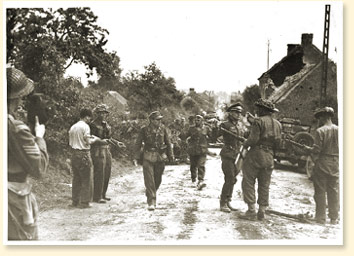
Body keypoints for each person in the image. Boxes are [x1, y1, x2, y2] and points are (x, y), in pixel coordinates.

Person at [7, 67, 49, 240]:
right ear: (16, 98)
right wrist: (39, 137)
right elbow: (39, 169)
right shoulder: (16, 128)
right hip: (13, 198)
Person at [239, 98, 282, 221]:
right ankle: (262, 210)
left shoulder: (258, 121)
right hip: (269, 156)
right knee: (264, 184)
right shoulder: (278, 124)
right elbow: (278, 143)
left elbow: (253, 140)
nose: (256, 110)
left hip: (256, 155)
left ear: (262, 110)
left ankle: (251, 210)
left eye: (258, 108)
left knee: (248, 181)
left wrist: (245, 143)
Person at [133, 111, 174, 211]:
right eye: (157, 119)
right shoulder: (144, 129)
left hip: (160, 157)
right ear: (151, 120)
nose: (159, 121)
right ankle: (151, 201)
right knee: (149, 179)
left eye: (160, 119)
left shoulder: (163, 129)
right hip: (148, 156)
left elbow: (168, 142)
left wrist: (171, 155)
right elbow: (138, 143)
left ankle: (150, 192)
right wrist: (136, 157)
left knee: (157, 179)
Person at [310, 107, 339, 225]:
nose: (319, 120)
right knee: (333, 191)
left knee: (320, 190)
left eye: (320, 117)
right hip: (336, 163)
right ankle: (334, 218)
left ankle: (321, 218)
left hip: (323, 163)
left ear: (323, 117)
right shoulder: (339, 130)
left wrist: (310, 153)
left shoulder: (320, 131)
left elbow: (317, 150)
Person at [68, 108, 99, 208]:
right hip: (83, 154)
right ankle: (84, 202)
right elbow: (88, 141)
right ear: (86, 117)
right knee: (86, 178)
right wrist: (95, 139)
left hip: (74, 153)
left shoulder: (73, 127)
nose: (90, 120)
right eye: (89, 117)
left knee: (76, 178)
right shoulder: (85, 127)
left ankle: (75, 201)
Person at [219, 103, 245, 213]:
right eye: (236, 112)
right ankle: (222, 203)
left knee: (233, 179)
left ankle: (228, 200)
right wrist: (215, 128)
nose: (238, 115)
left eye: (240, 113)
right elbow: (214, 136)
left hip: (237, 155)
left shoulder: (239, 126)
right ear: (230, 113)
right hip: (227, 154)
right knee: (229, 178)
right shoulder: (225, 125)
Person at [90, 104, 113, 203]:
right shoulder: (93, 125)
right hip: (97, 150)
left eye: (104, 113)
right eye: (100, 113)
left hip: (106, 150)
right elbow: (91, 139)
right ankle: (97, 196)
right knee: (99, 172)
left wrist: (115, 142)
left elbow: (109, 138)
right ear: (97, 113)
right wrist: (102, 141)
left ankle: (103, 194)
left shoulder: (106, 125)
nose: (103, 115)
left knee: (107, 172)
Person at [186, 114, 209, 190]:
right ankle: (193, 178)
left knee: (201, 164)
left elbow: (213, 136)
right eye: (196, 120)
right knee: (193, 165)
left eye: (198, 120)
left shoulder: (206, 128)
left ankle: (200, 180)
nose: (196, 121)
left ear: (202, 121)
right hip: (193, 150)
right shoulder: (191, 129)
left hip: (202, 150)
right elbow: (184, 135)